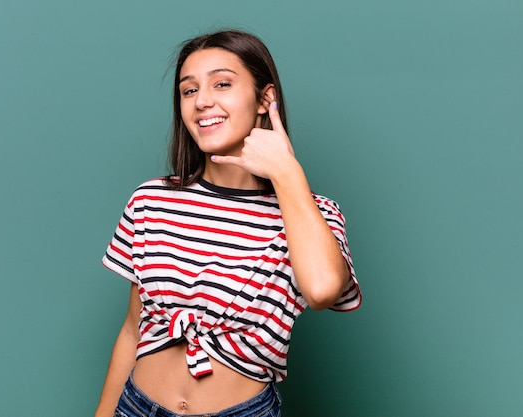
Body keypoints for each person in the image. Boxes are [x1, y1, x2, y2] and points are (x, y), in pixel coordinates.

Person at [95, 29, 361, 417]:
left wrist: (287, 173)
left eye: (222, 84)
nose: (203, 101)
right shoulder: (151, 200)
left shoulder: (312, 213)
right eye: (189, 91)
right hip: (138, 406)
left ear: (264, 99)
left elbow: (321, 290)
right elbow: (134, 329)